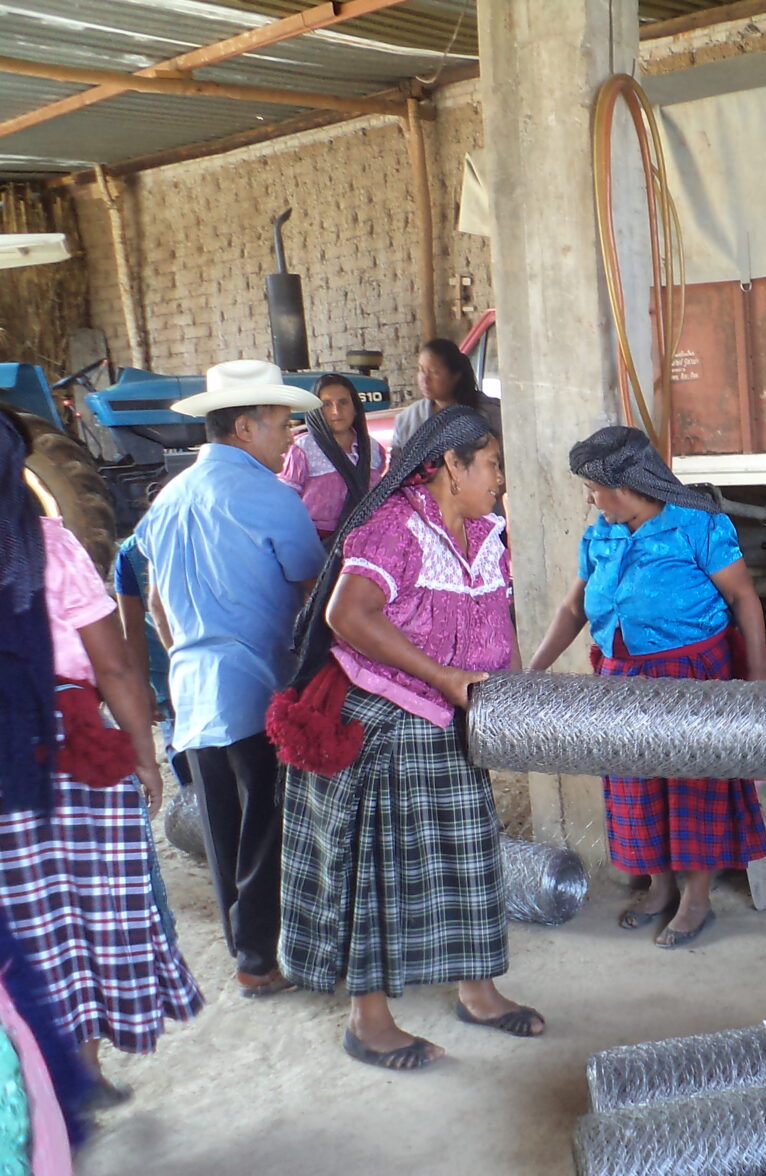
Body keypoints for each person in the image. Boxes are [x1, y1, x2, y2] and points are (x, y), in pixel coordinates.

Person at [272, 406, 541, 1072]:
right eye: (495, 465)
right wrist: (445, 677)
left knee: (467, 861)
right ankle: (368, 1023)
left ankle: (476, 992)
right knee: (380, 878)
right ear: (453, 464)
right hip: (386, 726)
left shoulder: (482, 533)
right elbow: (347, 615)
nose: (501, 479)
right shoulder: (396, 527)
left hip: (450, 722)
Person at [0, 407, 203, 1107]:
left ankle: (32, 1089)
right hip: (75, 751)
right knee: (85, 915)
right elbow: (114, 666)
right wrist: (145, 758)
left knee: (22, 928)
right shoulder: (47, 545)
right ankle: (80, 1073)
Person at [530, 425, 766, 948]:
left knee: (693, 787)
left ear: (625, 485)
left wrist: (758, 685)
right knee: (636, 788)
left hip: (690, 677)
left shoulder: (697, 526)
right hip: (621, 679)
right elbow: (574, 608)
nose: (589, 498)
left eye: (593, 488)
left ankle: (696, 898)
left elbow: (745, 600)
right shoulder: (602, 531)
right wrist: (533, 671)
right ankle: (660, 889)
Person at [135, 360, 325, 998]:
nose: (290, 437)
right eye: (280, 424)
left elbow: (156, 602)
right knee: (266, 823)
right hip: (255, 685)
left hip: (192, 687)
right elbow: (313, 589)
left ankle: (247, 954)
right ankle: (259, 957)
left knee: (223, 828)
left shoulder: (166, 498)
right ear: (244, 427)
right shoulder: (272, 499)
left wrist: (185, 651)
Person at [113, 531, 191, 789]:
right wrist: (142, 684)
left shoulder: (132, 550)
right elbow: (133, 630)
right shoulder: (202, 532)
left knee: (183, 755)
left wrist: (143, 685)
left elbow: (132, 629)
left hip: (167, 676)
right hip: (189, 673)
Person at [279, 373, 387, 541]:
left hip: (367, 541)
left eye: (343, 402)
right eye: (326, 404)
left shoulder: (372, 448)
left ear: (355, 407)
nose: (336, 411)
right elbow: (286, 503)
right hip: (317, 545)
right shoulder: (303, 449)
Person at [388, 338, 502, 466]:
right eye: (421, 370)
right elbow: (396, 473)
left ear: (455, 375)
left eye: (434, 372)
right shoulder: (407, 420)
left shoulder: (490, 413)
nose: (425, 379)